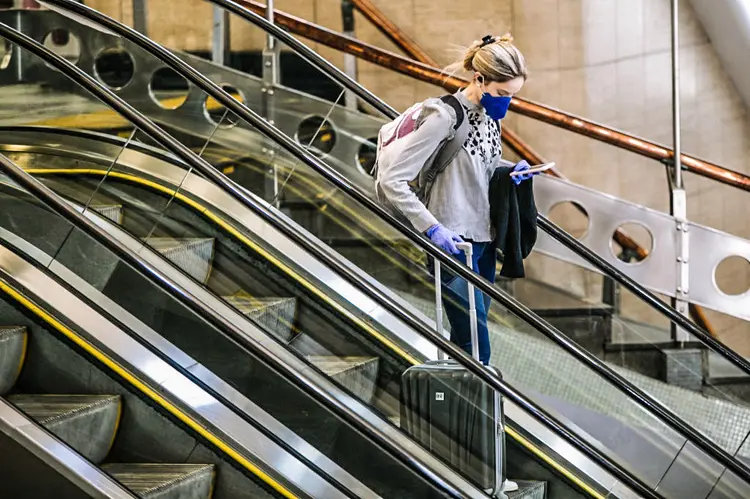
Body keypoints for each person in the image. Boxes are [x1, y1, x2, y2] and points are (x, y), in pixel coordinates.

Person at [375, 33, 535, 367]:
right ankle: (479, 410)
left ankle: (455, 410)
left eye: (513, 96)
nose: (507, 102)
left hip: (485, 240)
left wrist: (509, 172)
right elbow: (393, 180)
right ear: (479, 79)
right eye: (503, 94)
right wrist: (431, 229)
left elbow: (477, 166)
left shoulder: (491, 120)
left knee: (467, 340)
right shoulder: (443, 118)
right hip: (453, 243)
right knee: (476, 345)